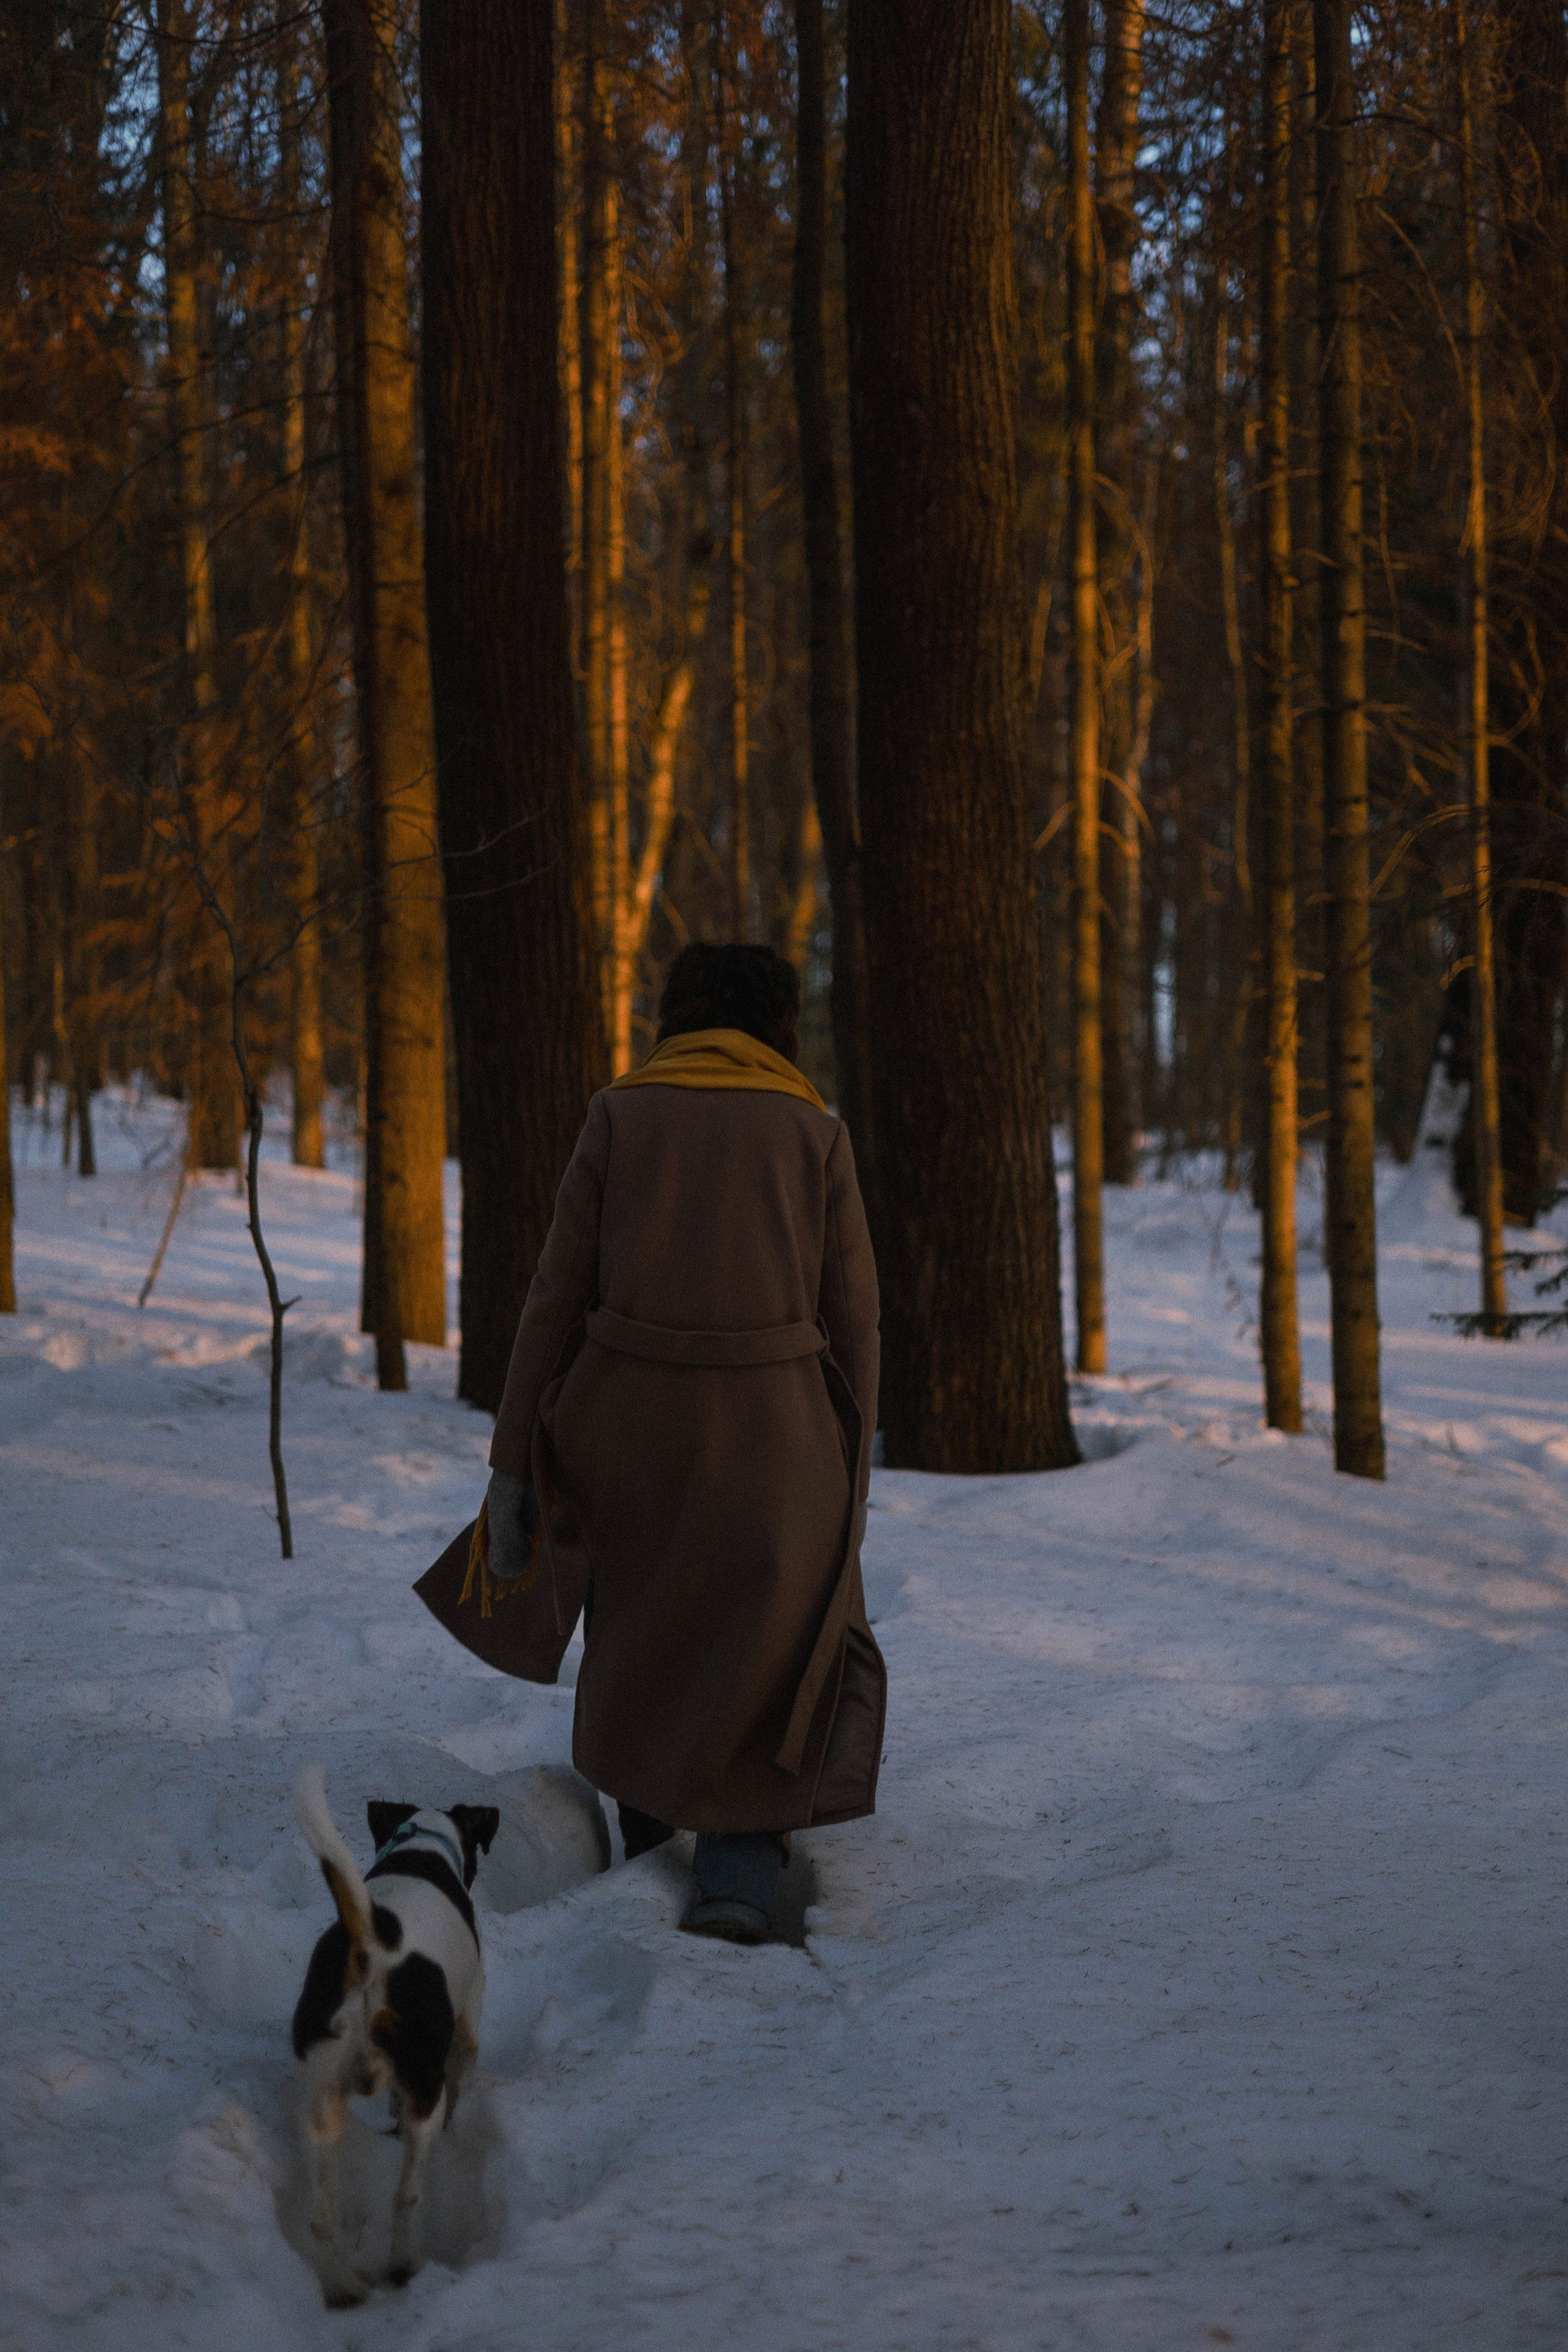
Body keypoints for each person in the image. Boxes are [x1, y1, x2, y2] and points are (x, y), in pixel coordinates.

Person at [467, 943, 883, 1945]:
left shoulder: (619, 1114)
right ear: (780, 1027)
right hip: (778, 1434)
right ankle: (739, 1864)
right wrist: (848, 1469)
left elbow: (553, 1298)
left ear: (678, 1017)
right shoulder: (815, 1135)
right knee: (769, 1627)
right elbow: (856, 1320)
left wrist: (513, 1461)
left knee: (644, 1618)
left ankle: (650, 1826)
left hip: (629, 1425)